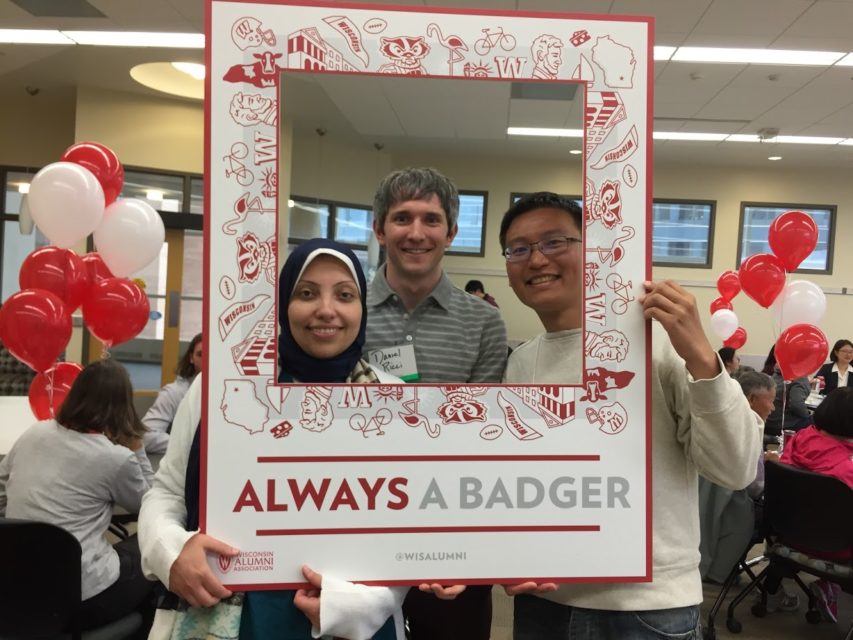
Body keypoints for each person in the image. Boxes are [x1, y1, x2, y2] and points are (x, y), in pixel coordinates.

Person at [139, 239, 459, 640]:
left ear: (361, 309)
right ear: (283, 304)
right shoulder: (225, 386)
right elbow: (166, 490)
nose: (326, 309)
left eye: (344, 295)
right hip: (232, 612)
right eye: (306, 293)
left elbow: (407, 524)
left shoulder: (391, 398)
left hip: (350, 619)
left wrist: (353, 606)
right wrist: (171, 553)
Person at [498, 192, 759, 639]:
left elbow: (735, 469)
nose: (536, 259)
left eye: (555, 242)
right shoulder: (521, 362)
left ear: (593, 250)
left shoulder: (659, 341)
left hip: (647, 608)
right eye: (519, 249)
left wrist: (700, 354)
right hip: (543, 600)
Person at [363, 167, 507, 639]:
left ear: (452, 232)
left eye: (431, 219)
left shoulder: (484, 322)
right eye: (402, 218)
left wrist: (459, 545)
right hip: (356, 523)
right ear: (380, 229)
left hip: (452, 531)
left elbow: (481, 439)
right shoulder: (344, 307)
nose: (417, 233)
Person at [0, 358, 154, 631]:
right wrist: (137, 446)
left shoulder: (36, 431)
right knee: (153, 548)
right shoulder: (115, 458)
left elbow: (2, 480)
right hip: (81, 599)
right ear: (123, 407)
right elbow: (150, 505)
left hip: (17, 587)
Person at [779, 386, 853, 622]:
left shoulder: (799, 439)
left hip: (787, 532)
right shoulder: (847, 468)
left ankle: (829, 585)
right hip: (836, 546)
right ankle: (830, 585)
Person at [699, 371, 774, 585]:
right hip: (733, 511)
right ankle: (774, 584)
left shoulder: (716, 418)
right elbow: (755, 487)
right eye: (771, 401)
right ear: (751, 399)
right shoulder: (749, 428)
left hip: (702, 516)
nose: (774, 408)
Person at [143, 333, 202, 455]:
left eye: (212, 355)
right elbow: (147, 437)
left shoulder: (233, 391)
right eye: (201, 355)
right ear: (191, 358)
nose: (207, 360)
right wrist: (192, 446)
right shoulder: (173, 393)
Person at [763, 347, 812, 438]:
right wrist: (807, 413)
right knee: (818, 422)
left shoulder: (776, 373)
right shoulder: (799, 376)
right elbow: (796, 404)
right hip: (784, 425)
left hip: (767, 421)